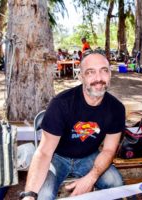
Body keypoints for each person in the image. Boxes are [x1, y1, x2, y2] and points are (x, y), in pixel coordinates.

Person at [21, 50, 125, 199]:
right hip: (57, 157)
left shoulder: (116, 109)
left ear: (110, 74)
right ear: (81, 76)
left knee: (116, 183)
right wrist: (29, 194)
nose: (98, 78)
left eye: (104, 71)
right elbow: (44, 152)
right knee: (42, 194)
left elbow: (109, 150)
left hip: (90, 156)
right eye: (90, 72)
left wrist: (91, 178)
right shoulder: (61, 104)